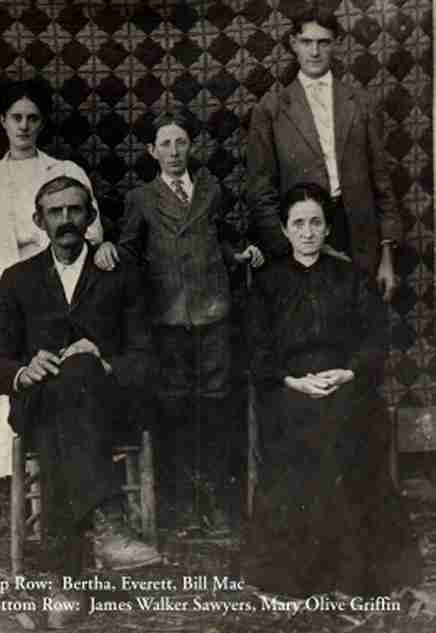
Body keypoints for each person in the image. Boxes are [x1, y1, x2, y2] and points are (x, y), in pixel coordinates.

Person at [0, 175, 161, 626]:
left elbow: (146, 358)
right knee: (61, 392)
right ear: (38, 220)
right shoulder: (18, 280)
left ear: (90, 216)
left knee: (79, 371)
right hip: (41, 403)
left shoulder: (120, 274)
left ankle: (65, 581)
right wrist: (24, 371)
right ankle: (108, 523)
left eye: (74, 210)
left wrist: (103, 363)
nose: (65, 219)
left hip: (107, 407)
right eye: (55, 212)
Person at [241, 182, 421, 596]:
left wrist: (347, 374)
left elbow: (375, 341)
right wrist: (293, 381)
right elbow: (256, 349)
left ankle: (353, 570)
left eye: (315, 223)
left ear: (326, 228)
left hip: (345, 384)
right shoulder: (266, 284)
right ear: (284, 229)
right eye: (298, 223)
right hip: (289, 389)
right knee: (301, 429)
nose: (307, 232)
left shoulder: (351, 277)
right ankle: (302, 571)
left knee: (349, 426)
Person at [113, 110, 263, 529]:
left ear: (191, 146)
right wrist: (109, 253)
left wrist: (240, 254)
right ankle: (179, 502)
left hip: (213, 313)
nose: (174, 151)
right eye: (165, 144)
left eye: (181, 142)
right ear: (151, 151)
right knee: (175, 405)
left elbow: (218, 239)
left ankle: (214, 498)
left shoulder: (211, 191)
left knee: (216, 404)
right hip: (167, 317)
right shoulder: (141, 198)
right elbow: (129, 250)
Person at [0, 78, 104, 486]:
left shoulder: (64, 171)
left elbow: (92, 231)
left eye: (32, 118)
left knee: (53, 365)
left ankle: (50, 464)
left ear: (42, 123)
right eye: (16, 117)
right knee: (6, 364)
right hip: (4, 284)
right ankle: (3, 473)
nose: (23, 126)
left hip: (56, 280)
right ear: (3, 121)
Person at [246, 6, 400, 302]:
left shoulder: (362, 104)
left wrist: (387, 258)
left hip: (358, 239)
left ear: (336, 44)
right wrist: (293, 246)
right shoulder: (271, 109)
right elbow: (259, 192)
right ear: (293, 44)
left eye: (323, 42)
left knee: (358, 321)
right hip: (303, 239)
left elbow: (382, 185)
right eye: (307, 42)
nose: (314, 51)